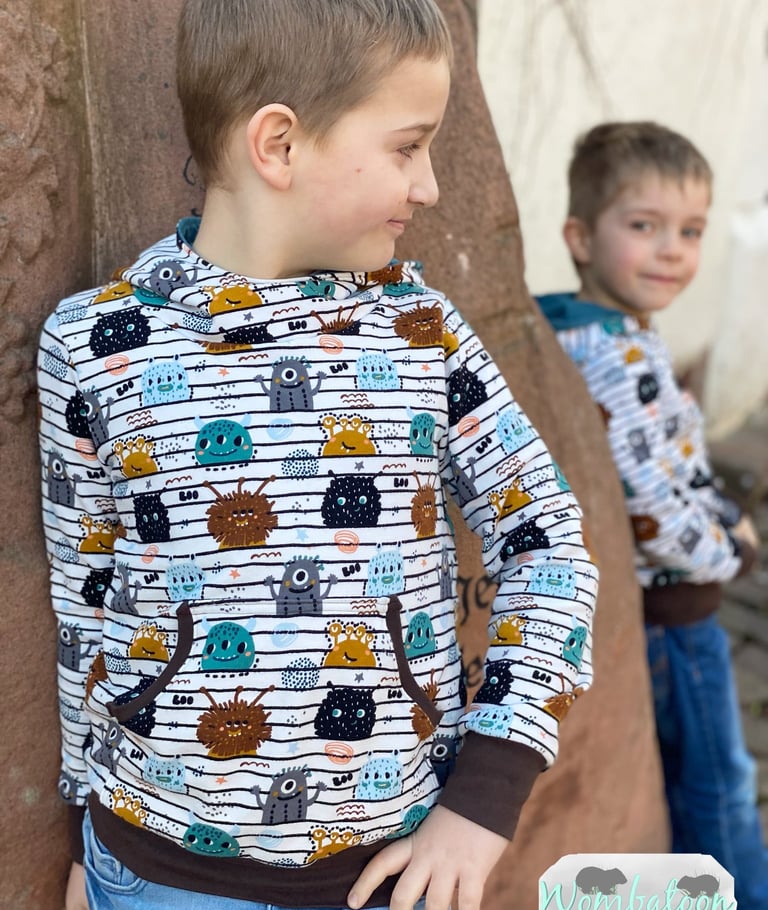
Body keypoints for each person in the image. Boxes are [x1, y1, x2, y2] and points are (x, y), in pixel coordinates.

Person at [38, 3, 598, 909]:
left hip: (390, 870)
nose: (429, 187)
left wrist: (486, 800)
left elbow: (547, 540)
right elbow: (85, 597)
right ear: (280, 144)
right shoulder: (93, 345)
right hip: (153, 873)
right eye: (408, 147)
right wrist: (81, 830)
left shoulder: (424, 337)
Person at [537, 120, 768, 909]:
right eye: (645, 226)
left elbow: (667, 462)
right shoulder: (615, 355)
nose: (673, 251)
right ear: (580, 237)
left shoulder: (591, 326)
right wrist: (731, 551)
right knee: (718, 778)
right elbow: (654, 512)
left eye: (691, 231)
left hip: (653, 605)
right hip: (677, 611)